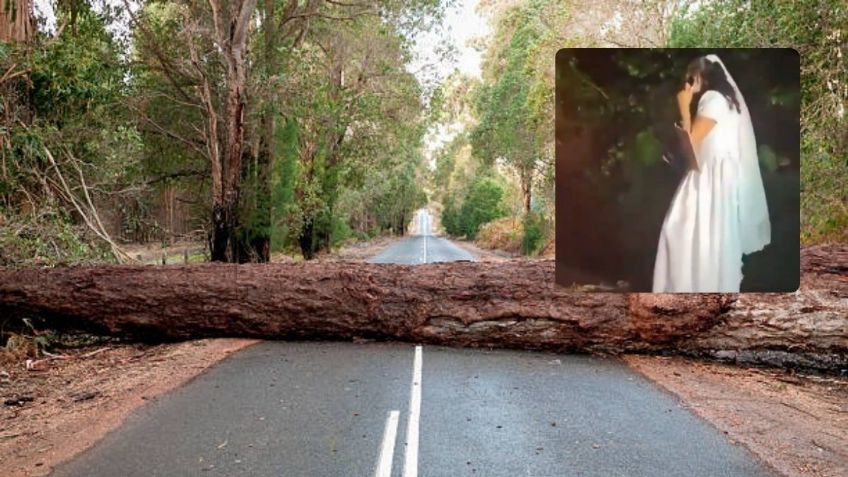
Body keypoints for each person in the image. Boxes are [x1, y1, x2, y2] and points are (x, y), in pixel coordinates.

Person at [652, 54, 771, 293]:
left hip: (707, 177)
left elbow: (692, 142)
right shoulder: (728, 101)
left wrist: (684, 106)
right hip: (721, 176)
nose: (688, 84)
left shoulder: (712, 98)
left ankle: (681, 288)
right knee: (708, 236)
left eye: (691, 78)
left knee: (678, 229)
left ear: (701, 76)